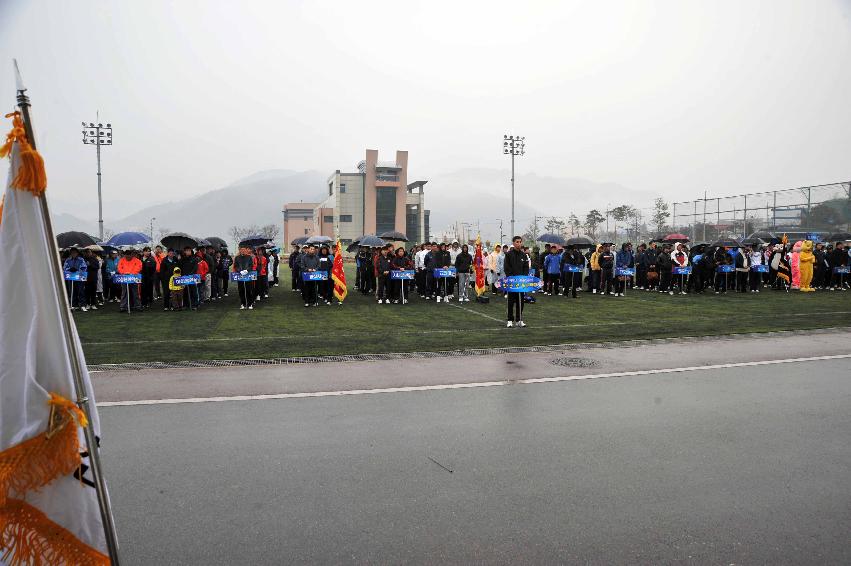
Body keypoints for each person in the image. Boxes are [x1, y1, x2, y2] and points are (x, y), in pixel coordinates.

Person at [504, 236, 530, 327]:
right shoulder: (509, 254)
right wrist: (513, 278)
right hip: (512, 282)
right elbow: (507, 268)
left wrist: (523, 277)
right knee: (510, 301)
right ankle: (510, 320)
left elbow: (526, 267)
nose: (519, 243)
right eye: (517, 242)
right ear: (514, 243)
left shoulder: (524, 255)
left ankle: (519, 320)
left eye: (520, 242)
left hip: (521, 282)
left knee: (520, 301)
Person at [233, 245, 257, 309]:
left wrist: (247, 270)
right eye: (241, 250)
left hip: (248, 275)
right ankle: (242, 303)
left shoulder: (249, 257)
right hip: (240, 275)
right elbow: (235, 266)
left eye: (244, 249)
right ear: (240, 250)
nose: (243, 251)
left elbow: (251, 265)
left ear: (246, 250)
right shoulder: (237, 258)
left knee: (249, 289)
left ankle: (250, 303)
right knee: (241, 290)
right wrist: (240, 271)